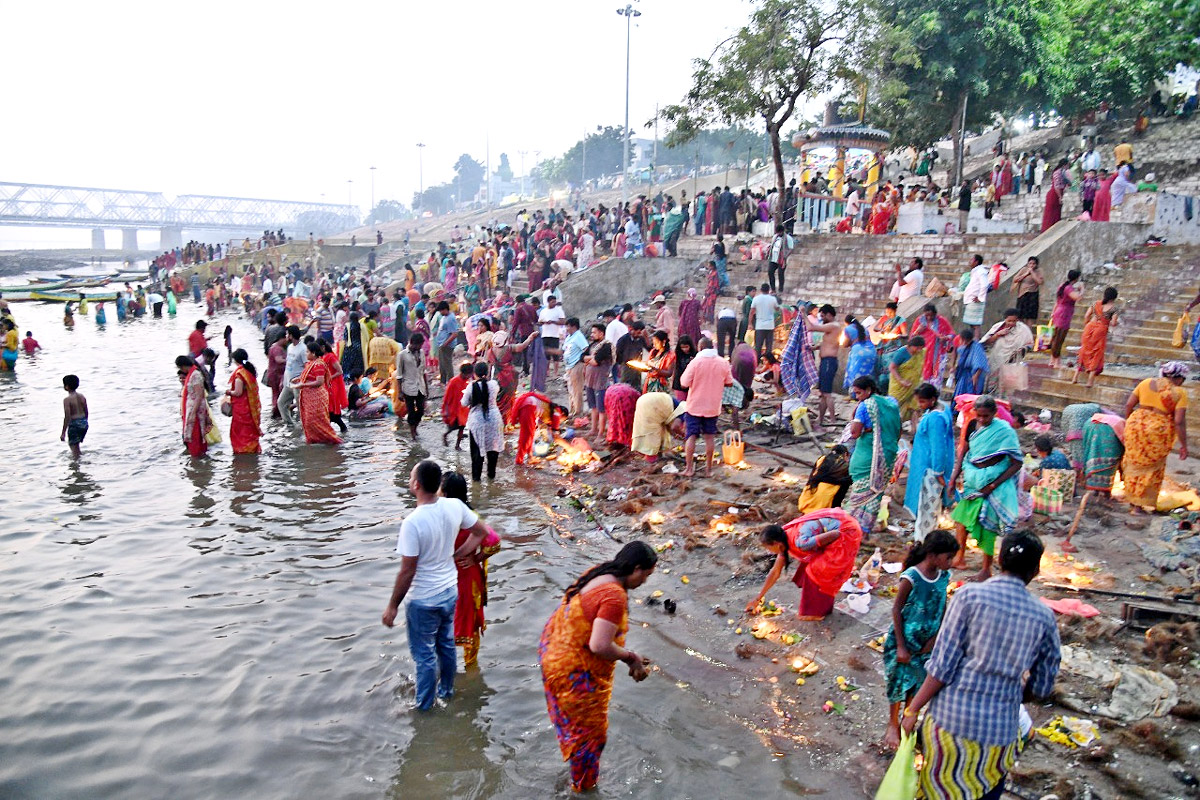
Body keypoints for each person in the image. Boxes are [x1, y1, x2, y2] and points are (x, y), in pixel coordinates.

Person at [902, 532, 1060, 800]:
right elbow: (1043, 685)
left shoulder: (968, 596)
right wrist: (1011, 689)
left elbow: (941, 668)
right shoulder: (1044, 617)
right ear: (1035, 570)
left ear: (999, 560)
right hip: (997, 735)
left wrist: (912, 710)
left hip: (949, 726)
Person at [539, 541, 656, 793]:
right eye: (645, 576)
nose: (644, 582)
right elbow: (600, 646)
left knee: (580, 730)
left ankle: (577, 776)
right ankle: (583, 789)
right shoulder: (613, 595)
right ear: (636, 568)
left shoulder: (600, 573)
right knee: (591, 735)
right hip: (574, 671)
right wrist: (631, 657)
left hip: (555, 655)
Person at [381, 460, 492, 710]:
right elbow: (482, 532)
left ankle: (424, 708)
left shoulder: (412, 522)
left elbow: (407, 571)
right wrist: (460, 554)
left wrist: (392, 606)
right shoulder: (454, 506)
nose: (410, 480)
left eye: (411, 476)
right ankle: (447, 691)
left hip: (423, 599)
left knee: (424, 656)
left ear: (416, 485)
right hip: (449, 591)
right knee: (445, 646)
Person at [882, 530, 959, 750]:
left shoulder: (944, 577)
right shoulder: (912, 577)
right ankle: (893, 723)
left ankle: (908, 718)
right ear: (933, 555)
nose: (951, 563)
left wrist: (937, 637)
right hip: (906, 639)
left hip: (928, 641)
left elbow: (943, 606)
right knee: (898, 681)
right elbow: (897, 609)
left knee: (916, 681)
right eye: (948, 557)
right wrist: (900, 646)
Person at [947, 395, 1022, 581]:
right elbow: (964, 452)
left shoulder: (1004, 431)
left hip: (994, 481)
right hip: (973, 479)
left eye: (986, 416)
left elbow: (1016, 463)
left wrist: (993, 485)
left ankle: (986, 568)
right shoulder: (972, 425)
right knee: (962, 519)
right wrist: (953, 479)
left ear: (995, 414)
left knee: (988, 524)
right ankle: (960, 557)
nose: (981, 419)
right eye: (978, 415)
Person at [745, 508, 864, 621]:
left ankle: (816, 613)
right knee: (812, 567)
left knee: (816, 570)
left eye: (769, 548)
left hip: (846, 531)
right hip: (833, 531)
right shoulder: (783, 538)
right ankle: (820, 607)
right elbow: (775, 572)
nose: (769, 551)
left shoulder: (800, 543)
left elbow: (835, 534)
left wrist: (824, 549)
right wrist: (758, 598)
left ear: (777, 544)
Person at [439, 472, 501, 668]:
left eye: (441, 488)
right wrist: (476, 558)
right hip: (467, 577)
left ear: (446, 493)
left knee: (441, 628)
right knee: (469, 626)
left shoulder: (439, 518)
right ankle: (471, 668)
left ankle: (445, 675)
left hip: (446, 579)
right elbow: (494, 542)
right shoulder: (472, 517)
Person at [1122, 362, 1190, 513]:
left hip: (1136, 426)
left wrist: (1130, 424)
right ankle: (1138, 507)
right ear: (1178, 379)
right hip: (1157, 432)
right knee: (1151, 470)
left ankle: (1132, 502)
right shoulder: (1179, 393)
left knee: (1133, 463)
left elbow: (1128, 405)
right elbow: (1179, 422)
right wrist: (1183, 445)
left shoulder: (1145, 383)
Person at [846, 376, 902, 531]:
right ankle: (865, 527)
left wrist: (860, 420)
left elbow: (855, 432)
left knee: (861, 487)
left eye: (858, 393)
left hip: (868, 453)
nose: (857, 397)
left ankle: (854, 527)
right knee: (875, 491)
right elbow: (898, 429)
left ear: (868, 390)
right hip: (887, 453)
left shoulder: (865, 406)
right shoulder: (891, 403)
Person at [905, 384, 957, 539]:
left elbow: (938, 447)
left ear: (932, 399)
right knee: (930, 506)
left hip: (930, 470)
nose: (919, 405)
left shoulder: (935, 419)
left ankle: (923, 541)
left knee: (926, 508)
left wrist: (938, 471)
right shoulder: (942, 408)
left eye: (922, 401)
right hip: (929, 465)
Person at [679, 336, 733, 478]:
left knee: (691, 436)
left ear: (700, 347)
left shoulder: (695, 362)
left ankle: (689, 469)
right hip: (712, 406)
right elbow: (729, 382)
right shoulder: (723, 363)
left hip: (695, 405)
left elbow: (683, 383)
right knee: (709, 437)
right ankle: (708, 470)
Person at [292, 342, 342, 445]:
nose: (306, 354)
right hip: (309, 397)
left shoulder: (318, 364)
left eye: (307, 352)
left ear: (313, 353)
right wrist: (299, 379)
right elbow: (310, 377)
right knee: (309, 421)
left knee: (315, 421)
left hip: (317, 397)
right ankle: (315, 440)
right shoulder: (311, 363)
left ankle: (332, 440)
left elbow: (319, 382)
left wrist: (303, 385)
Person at [463, 361, 503, 481]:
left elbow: (464, 403)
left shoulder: (471, 386)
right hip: (494, 419)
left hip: (477, 421)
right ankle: (491, 476)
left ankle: (476, 480)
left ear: (474, 373)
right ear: (487, 372)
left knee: (477, 453)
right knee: (493, 449)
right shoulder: (494, 384)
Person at [1072, 287, 1118, 388]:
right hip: (1101, 330)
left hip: (1089, 328)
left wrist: (1087, 325)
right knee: (1097, 354)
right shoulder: (1113, 309)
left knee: (1083, 351)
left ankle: (1075, 377)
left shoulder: (1096, 303)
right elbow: (1113, 323)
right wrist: (1110, 322)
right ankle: (1090, 381)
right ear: (1114, 298)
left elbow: (1086, 315)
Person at [980, 309, 1033, 396]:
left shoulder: (1023, 329)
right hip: (996, 360)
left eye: (1014, 321)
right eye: (1009, 321)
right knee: (993, 382)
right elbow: (985, 342)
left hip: (1011, 362)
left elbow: (1030, 344)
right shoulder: (998, 327)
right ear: (1005, 319)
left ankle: (1004, 404)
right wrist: (997, 335)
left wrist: (1022, 349)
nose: (1011, 323)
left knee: (1007, 387)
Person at [810, 305, 843, 427]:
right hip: (826, 362)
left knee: (827, 393)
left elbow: (811, 327)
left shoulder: (833, 325)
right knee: (823, 393)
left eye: (823, 316)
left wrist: (803, 313)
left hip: (829, 362)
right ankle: (821, 418)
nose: (822, 319)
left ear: (829, 315)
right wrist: (816, 347)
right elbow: (827, 343)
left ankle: (833, 420)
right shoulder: (832, 327)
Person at [630, 393, 687, 462]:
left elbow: (670, 426)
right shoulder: (684, 411)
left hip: (644, 400)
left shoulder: (679, 406)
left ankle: (652, 453)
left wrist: (675, 434)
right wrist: (683, 436)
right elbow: (675, 427)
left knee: (647, 428)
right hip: (653, 404)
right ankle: (651, 458)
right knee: (652, 432)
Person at [225, 349, 262, 454]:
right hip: (249, 408)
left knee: (240, 431)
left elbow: (238, 392)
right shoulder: (249, 371)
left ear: (235, 360)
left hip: (241, 409)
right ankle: (252, 449)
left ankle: (243, 451)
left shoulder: (239, 375)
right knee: (248, 430)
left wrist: (228, 392)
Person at [797, 445, 852, 512]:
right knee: (846, 481)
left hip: (805, 500)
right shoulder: (843, 466)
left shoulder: (821, 459)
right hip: (823, 505)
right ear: (846, 454)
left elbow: (813, 477)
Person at [584, 324, 614, 445]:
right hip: (590, 380)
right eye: (592, 333)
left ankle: (601, 433)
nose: (592, 335)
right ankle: (593, 429)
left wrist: (589, 359)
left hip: (601, 381)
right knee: (593, 406)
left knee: (601, 408)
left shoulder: (606, 346)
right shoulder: (592, 345)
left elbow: (596, 362)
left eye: (594, 332)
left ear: (601, 333)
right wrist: (590, 358)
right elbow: (582, 357)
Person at [176, 355, 211, 458]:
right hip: (191, 409)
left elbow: (199, 395)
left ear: (182, 366)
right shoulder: (192, 374)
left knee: (195, 435)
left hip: (195, 410)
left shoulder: (195, 375)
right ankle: (197, 458)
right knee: (193, 435)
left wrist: (193, 412)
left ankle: (197, 460)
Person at [888, 335, 927, 427]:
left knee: (915, 407)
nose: (918, 351)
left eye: (920, 349)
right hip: (899, 386)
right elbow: (892, 367)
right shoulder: (902, 352)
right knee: (894, 406)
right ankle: (893, 427)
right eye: (916, 348)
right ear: (910, 345)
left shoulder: (920, 353)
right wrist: (901, 381)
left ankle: (915, 430)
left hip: (914, 385)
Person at [1048, 269, 1083, 368]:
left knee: (1056, 337)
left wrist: (1053, 312)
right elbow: (1077, 298)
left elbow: (1057, 301)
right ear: (1076, 278)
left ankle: (1052, 360)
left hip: (1059, 311)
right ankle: (1056, 362)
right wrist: (1082, 289)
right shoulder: (1068, 288)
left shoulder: (1062, 286)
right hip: (1064, 314)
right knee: (1059, 338)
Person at [396, 332, 428, 440]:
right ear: (412, 343)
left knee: (421, 411)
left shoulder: (422, 353)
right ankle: (412, 432)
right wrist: (400, 392)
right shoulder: (402, 355)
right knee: (411, 411)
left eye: (420, 345)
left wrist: (427, 389)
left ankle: (415, 427)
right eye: (418, 345)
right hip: (408, 387)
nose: (419, 348)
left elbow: (423, 372)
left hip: (420, 386)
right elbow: (399, 375)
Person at [276, 326, 305, 428]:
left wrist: (302, 381)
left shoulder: (303, 349)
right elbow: (288, 364)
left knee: (301, 408)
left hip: (298, 384)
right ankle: (290, 425)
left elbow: (307, 367)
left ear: (292, 336)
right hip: (288, 383)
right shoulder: (290, 347)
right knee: (281, 403)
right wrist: (283, 380)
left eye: (288, 334)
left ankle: (304, 429)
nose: (286, 336)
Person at [563, 317, 589, 419]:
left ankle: (578, 412)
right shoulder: (570, 336)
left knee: (577, 390)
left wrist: (583, 362)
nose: (566, 328)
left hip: (577, 365)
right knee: (571, 389)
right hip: (569, 366)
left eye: (568, 326)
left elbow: (586, 348)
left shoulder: (578, 336)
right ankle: (573, 410)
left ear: (573, 326)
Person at [951, 328, 989, 397]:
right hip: (963, 374)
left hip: (973, 374)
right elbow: (958, 355)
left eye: (967, 341)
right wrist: (954, 367)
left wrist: (975, 377)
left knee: (971, 393)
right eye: (963, 340)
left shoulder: (976, 347)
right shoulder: (960, 343)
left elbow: (980, 364)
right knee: (960, 393)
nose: (965, 343)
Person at [441, 362, 471, 448]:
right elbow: (447, 397)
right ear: (463, 373)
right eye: (468, 374)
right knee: (453, 427)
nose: (469, 376)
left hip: (463, 409)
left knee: (462, 427)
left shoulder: (467, 382)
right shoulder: (453, 381)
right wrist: (446, 409)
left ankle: (457, 445)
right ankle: (445, 435)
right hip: (453, 409)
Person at [603, 382, 641, 449]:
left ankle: (614, 440)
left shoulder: (612, 388)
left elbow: (607, 408)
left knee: (614, 421)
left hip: (612, 397)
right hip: (625, 401)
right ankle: (625, 440)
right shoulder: (635, 393)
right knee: (626, 422)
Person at [841, 318, 876, 390]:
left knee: (855, 373)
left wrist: (842, 344)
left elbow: (845, 344)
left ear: (847, 323)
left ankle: (854, 393)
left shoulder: (848, 329)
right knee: (869, 374)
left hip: (858, 352)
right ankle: (869, 392)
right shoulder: (863, 328)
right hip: (872, 350)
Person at [60, 374, 88, 458]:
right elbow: (86, 411)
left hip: (74, 424)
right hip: (84, 422)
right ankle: (80, 461)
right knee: (77, 446)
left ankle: (76, 466)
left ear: (67, 387)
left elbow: (67, 416)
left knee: (73, 447)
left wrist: (63, 432)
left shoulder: (67, 400)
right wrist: (85, 422)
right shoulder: (82, 396)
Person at [749, 283, 779, 361]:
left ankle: (757, 362)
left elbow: (752, 312)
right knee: (769, 346)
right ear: (769, 290)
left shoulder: (756, 299)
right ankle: (768, 362)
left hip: (760, 325)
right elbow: (777, 308)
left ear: (761, 290)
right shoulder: (772, 299)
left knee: (758, 346)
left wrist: (750, 323)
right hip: (770, 325)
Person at [1040, 158, 1071, 232]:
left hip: (1059, 193)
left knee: (1057, 213)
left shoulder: (1063, 172)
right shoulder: (1057, 172)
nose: (1068, 167)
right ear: (1064, 165)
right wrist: (1060, 197)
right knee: (1052, 214)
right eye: (1067, 165)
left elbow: (1069, 183)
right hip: (1055, 194)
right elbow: (1056, 186)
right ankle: (1048, 230)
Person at [643, 329, 674, 394]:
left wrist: (655, 369)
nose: (654, 345)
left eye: (656, 343)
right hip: (650, 383)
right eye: (653, 343)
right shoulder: (653, 352)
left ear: (663, 342)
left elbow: (669, 373)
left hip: (661, 385)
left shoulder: (670, 355)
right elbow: (647, 364)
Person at [767, 224, 791, 293]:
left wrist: (785, 256)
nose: (779, 234)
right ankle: (773, 289)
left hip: (782, 259)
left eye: (780, 232)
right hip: (773, 258)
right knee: (770, 272)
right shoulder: (775, 237)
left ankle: (780, 289)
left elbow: (791, 248)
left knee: (780, 273)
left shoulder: (788, 238)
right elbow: (772, 245)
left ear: (782, 231)